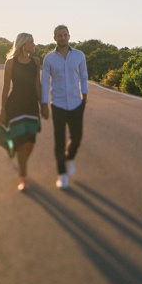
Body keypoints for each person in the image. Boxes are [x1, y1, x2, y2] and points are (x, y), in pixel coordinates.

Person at [40, 24, 88, 190]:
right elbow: (45, 82)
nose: (62, 37)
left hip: (76, 103)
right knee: (59, 141)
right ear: (54, 38)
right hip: (58, 104)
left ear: (69, 36)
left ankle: (70, 158)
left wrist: (85, 98)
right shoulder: (49, 59)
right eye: (59, 35)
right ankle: (62, 174)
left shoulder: (79, 56)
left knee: (77, 137)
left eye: (64, 35)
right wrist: (44, 104)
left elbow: (83, 76)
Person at [0, 32, 42, 192]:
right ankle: (23, 177)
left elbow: (37, 85)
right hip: (15, 105)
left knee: (30, 141)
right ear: (23, 44)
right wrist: (2, 109)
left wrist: (43, 104)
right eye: (31, 42)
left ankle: (21, 161)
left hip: (31, 105)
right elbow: (5, 88)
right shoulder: (10, 63)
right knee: (21, 141)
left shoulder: (36, 62)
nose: (34, 44)